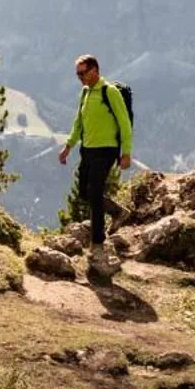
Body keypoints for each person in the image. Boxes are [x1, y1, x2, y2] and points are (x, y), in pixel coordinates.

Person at [57, 53, 132, 273]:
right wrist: (68, 146)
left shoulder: (110, 92)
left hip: (106, 150)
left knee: (94, 191)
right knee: (84, 192)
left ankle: (97, 245)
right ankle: (117, 211)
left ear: (94, 70)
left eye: (82, 73)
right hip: (87, 150)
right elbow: (78, 122)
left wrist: (126, 152)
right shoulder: (86, 93)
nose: (79, 77)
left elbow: (124, 123)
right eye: (77, 74)